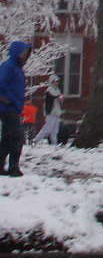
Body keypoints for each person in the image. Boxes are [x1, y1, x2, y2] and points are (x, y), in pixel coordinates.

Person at [0, 41, 32, 177]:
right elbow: (1, 83)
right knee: (18, 135)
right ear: (17, 53)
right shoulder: (9, 66)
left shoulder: (17, 68)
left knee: (7, 138)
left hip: (12, 108)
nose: (25, 56)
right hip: (7, 107)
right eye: (24, 53)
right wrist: (11, 100)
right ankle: (13, 168)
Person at [33, 75, 64, 146]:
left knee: (55, 130)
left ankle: (54, 144)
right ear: (52, 81)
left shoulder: (57, 89)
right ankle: (35, 140)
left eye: (57, 81)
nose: (57, 82)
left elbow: (59, 99)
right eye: (55, 81)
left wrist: (60, 99)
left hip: (56, 112)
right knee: (48, 128)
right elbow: (54, 96)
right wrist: (59, 97)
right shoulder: (49, 89)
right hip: (50, 111)